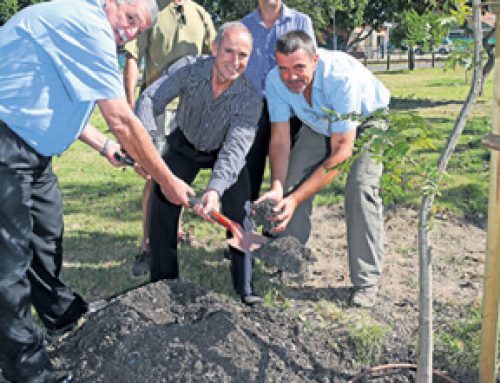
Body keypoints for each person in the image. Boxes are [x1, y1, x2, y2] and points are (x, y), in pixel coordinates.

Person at [0, 0, 197, 381]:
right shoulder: (86, 24)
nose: (128, 32)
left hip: (32, 153)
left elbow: (59, 99)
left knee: (46, 235)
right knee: (9, 259)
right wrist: (166, 179)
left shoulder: (90, 29)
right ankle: (22, 365)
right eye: (128, 19)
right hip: (6, 145)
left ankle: (60, 314)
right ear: (113, 1)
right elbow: (121, 118)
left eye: (136, 31)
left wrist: (105, 146)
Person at [259, 30, 390, 308]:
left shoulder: (340, 78)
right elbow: (280, 140)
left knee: (360, 187)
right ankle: (291, 261)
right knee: (292, 181)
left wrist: (294, 200)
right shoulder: (275, 80)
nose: (290, 77)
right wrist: (278, 188)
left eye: (299, 68)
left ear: (315, 60)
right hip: (318, 123)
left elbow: (341, 152)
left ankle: (366, 280)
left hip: (367, 122)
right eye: (284, 68)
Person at [135, 21, 263, 305]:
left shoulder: (250, 98)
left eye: (243, 55)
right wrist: (148, 144)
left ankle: (245, 288)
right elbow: (151, 98)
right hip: (184, 144)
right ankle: (164, 282)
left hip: (223, 152)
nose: (235, 61)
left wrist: (215, 190)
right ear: (215, 48)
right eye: (229, 51)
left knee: (240, 212)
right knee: (162, 202)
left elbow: (235, 149)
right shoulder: (189, 69)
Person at [123, 0, 216, 277]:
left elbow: (214, 55)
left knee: (180, 176)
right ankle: (148, 245)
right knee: (157, 176)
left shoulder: (199, 13)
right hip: (158, 108)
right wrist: (130, 108)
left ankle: (173, 231)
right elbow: (132, 58)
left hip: (192, 110)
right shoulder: (149, 9)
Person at [241, 0, 315, 202]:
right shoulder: (243, 27)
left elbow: (311, 66)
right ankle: (242, 229)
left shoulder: (301, 22)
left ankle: (280, 228)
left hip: (290, 111)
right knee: (245, 178)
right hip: (252, 111)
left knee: (289, 176)